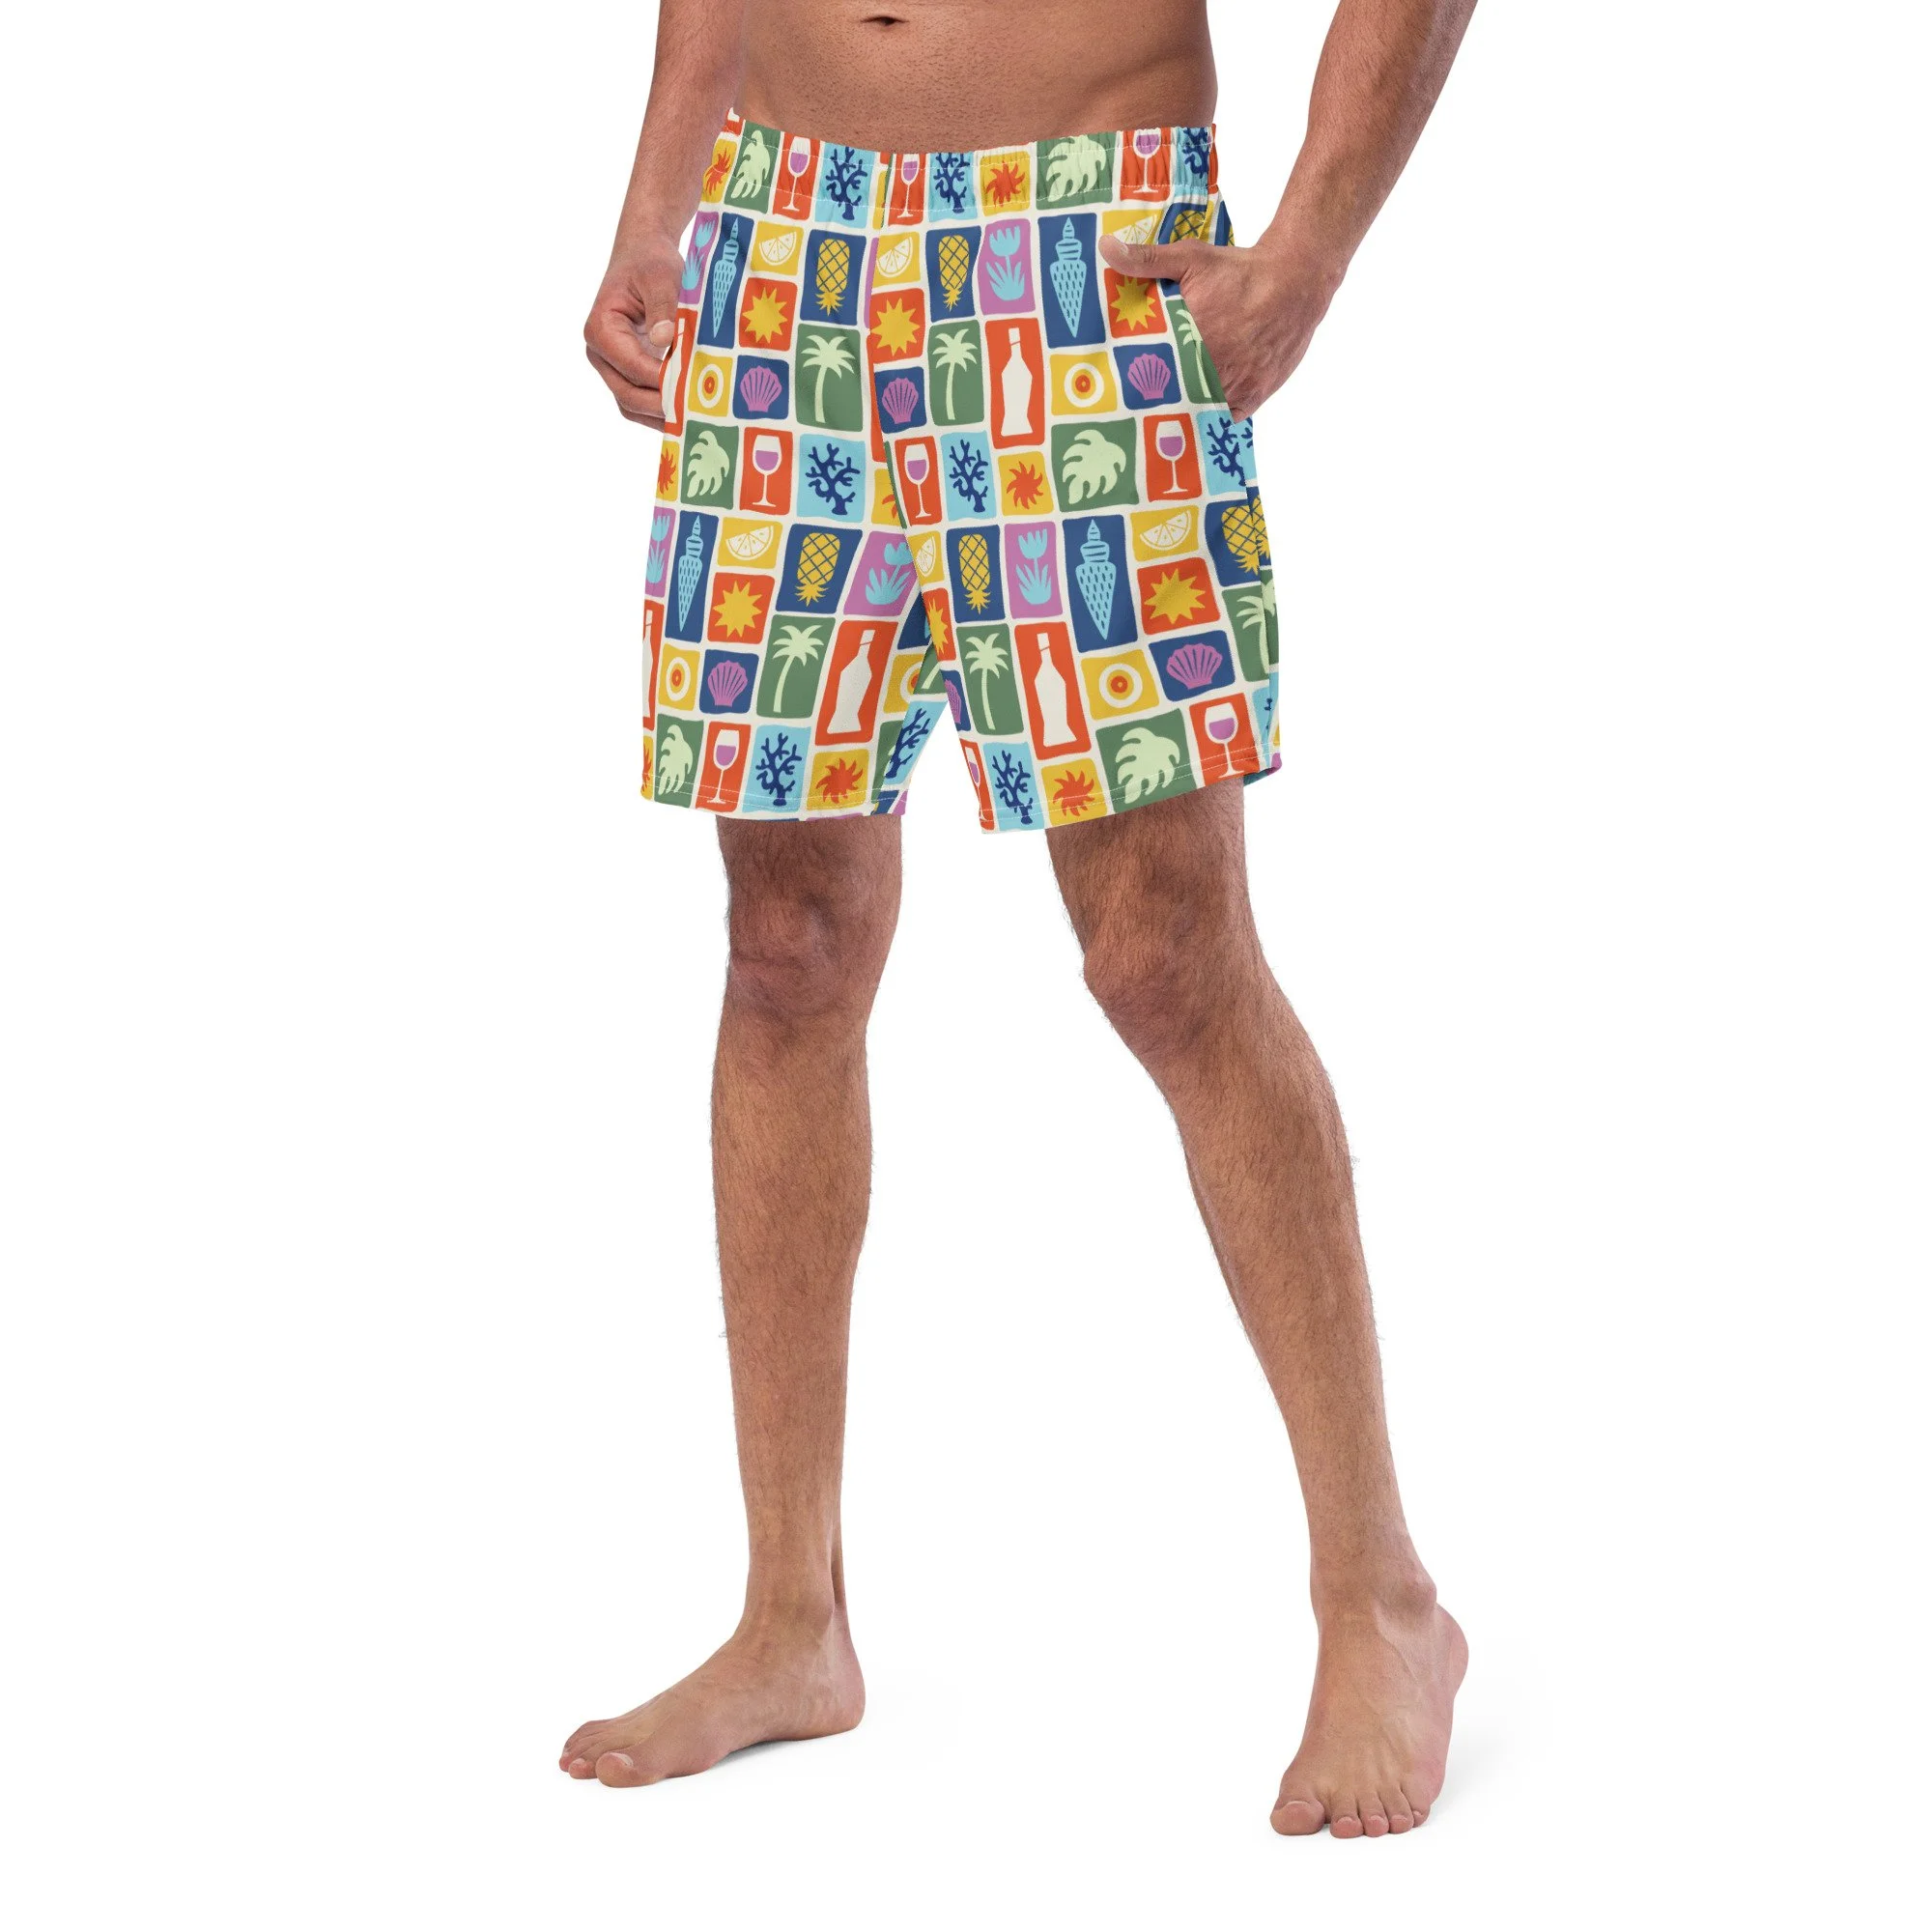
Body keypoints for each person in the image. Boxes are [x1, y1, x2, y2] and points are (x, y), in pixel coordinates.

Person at [567, 0, 1476, 1838]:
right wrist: (656, 209)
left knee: (1168, 958)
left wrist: (1310, 247)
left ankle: (1382, 1597)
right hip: (786, 247)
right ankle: (792, 1619)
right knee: (786, 947)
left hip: (1080, 249)